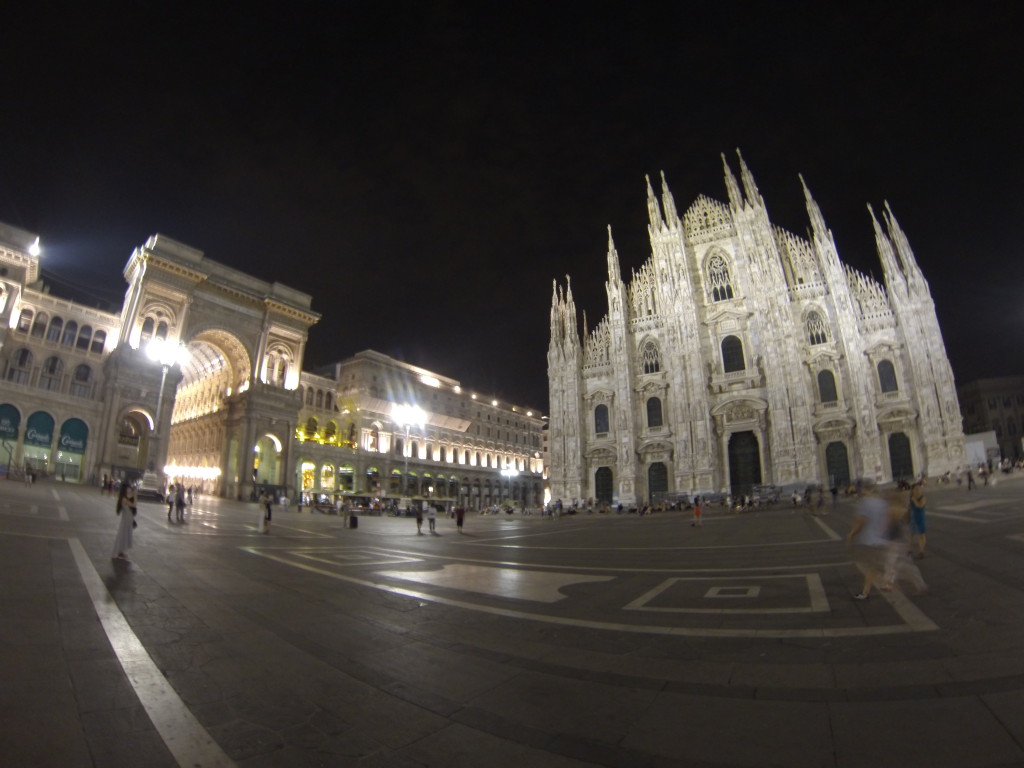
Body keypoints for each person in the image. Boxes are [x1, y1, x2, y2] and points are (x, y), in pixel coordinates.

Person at [846, 479, 890, 600]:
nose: (858, 491)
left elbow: (861, 521)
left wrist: (851, 534)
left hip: (870, 541)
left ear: (864, 489)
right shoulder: (881, 502)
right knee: (875, 566)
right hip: (881, 539)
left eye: (859, 489)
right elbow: (886, 520)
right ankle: (872, 589)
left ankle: (867, 592)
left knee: (871, 566)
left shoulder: (865, 503)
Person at [112, 482, 138, 560]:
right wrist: (135, 495)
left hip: (128, 518)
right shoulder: (123, 498)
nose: (130, 489)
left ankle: (121, 551)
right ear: (125, 489)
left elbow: (133, 504)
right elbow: (134, 505)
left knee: (126, 535)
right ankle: (119, 551)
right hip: (126, 519)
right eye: (128, 488)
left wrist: (134, 494)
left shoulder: (126, 497)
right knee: (123, 534)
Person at [908, 481, 927, 559]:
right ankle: (910, 549)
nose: (917, 490)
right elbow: (909, 508)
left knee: (921, 535)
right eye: (915, 489)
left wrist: (914, 500)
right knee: (911, 534)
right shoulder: (911, 499)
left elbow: (919, 506)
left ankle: (921, 551)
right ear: (912, 490)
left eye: (918, 489)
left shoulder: (923, 498)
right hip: (913, 518)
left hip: (920, 518)